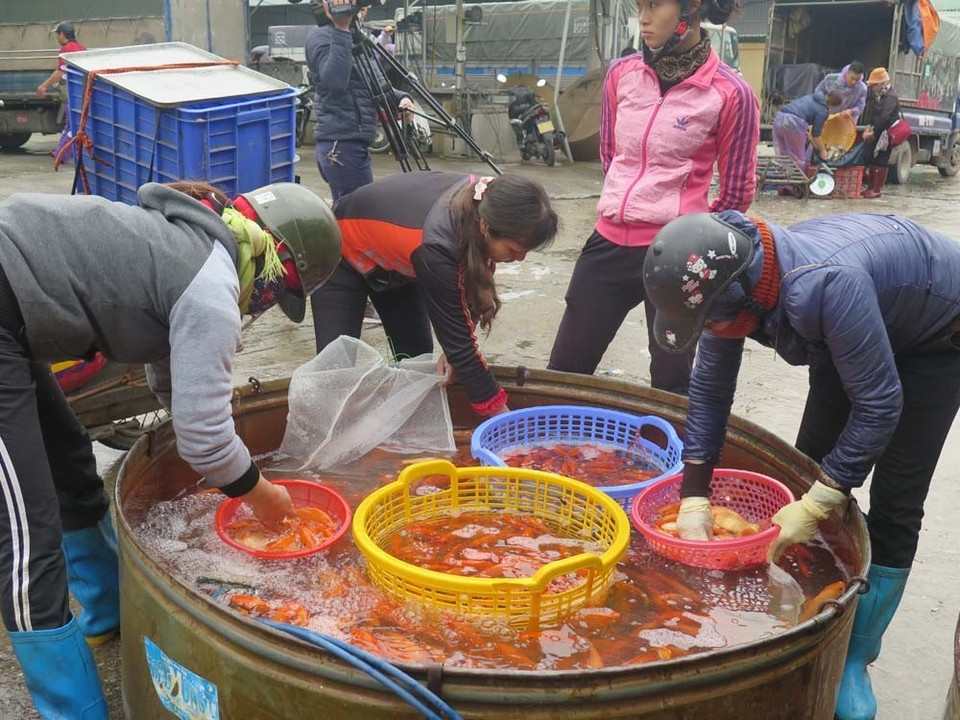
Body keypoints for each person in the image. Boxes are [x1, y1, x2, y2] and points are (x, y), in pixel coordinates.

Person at [0, 181, 340, 718]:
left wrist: (208, 447)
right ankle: (73, 708)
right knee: (25, 533)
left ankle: (107, 611)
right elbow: (205, 435)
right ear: (276, 263)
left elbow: (172, 377)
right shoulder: (213, 289)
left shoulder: (200, 244)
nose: (268, 305)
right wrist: (262, 493)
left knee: (69, 464)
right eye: (281, 293)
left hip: (15, 315)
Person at [642, 210, 960, 720]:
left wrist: (825, 495)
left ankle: (854, 655)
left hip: (935, 335)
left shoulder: (824, 288)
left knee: (896, 496)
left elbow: (879, 405)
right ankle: (805, 614)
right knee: (808, 465)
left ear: (744, 299)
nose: (716, 333)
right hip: (859, 317)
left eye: (715, 323)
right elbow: (710, 390)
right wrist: (694, 493)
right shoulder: (736, 277)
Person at [547, 0, 758, 395]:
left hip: (677, 259)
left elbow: (735, 194)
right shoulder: (621, 75)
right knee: (565, 370)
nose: (642, 18)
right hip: (607, 245)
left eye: (654, 6)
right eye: (639, 6)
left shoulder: (731, 94)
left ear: (690, 10)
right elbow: (612, 158)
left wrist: (691, 238)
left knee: (671, 383)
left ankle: (671, 455)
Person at [311, 171, 558, 418]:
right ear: (486, 227)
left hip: (398, 265)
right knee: (335, 375)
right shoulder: (439, 245)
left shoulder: (490, 201)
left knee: (416, 364)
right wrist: (505, 424)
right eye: (514, 250)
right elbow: (461, 348)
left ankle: (403, 438)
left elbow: (463, 304)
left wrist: (453, 353)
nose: (520, 259)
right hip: (339, 255)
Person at [36, 21, 86, 163]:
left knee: (71, 125)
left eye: (57, 34)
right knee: (76, 124)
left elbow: (61, 71)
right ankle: (65, 152)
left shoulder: (66, 49)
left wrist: (44, 85)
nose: (57, 38)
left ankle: (62, 154)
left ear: (62, 34)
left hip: (71, 93)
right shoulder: (82, 48)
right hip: (82, 93)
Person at [773, 89, 843, 172]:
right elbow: (816, 134)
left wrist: (805, 132)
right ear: (834, 106)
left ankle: (782, 181)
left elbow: (804, 112)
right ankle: (796, 181)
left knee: (783, 155)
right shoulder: (823, 110)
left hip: (779, 118)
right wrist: (822, 150)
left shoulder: (813, 96)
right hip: (793, 123)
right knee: (797, 159)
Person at [860, 67, 901, 198]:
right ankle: (870, 187)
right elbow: (874, 114)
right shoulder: (880, 96)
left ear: (880, 84)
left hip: (886, 134)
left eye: (874, 85)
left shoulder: (890, 97)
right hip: (877, 132)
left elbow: (884, 117)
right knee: (871, 158)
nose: (872, 88)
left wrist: (874, 132)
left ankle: (876, 189)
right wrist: (868, 127)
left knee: (881, 159)